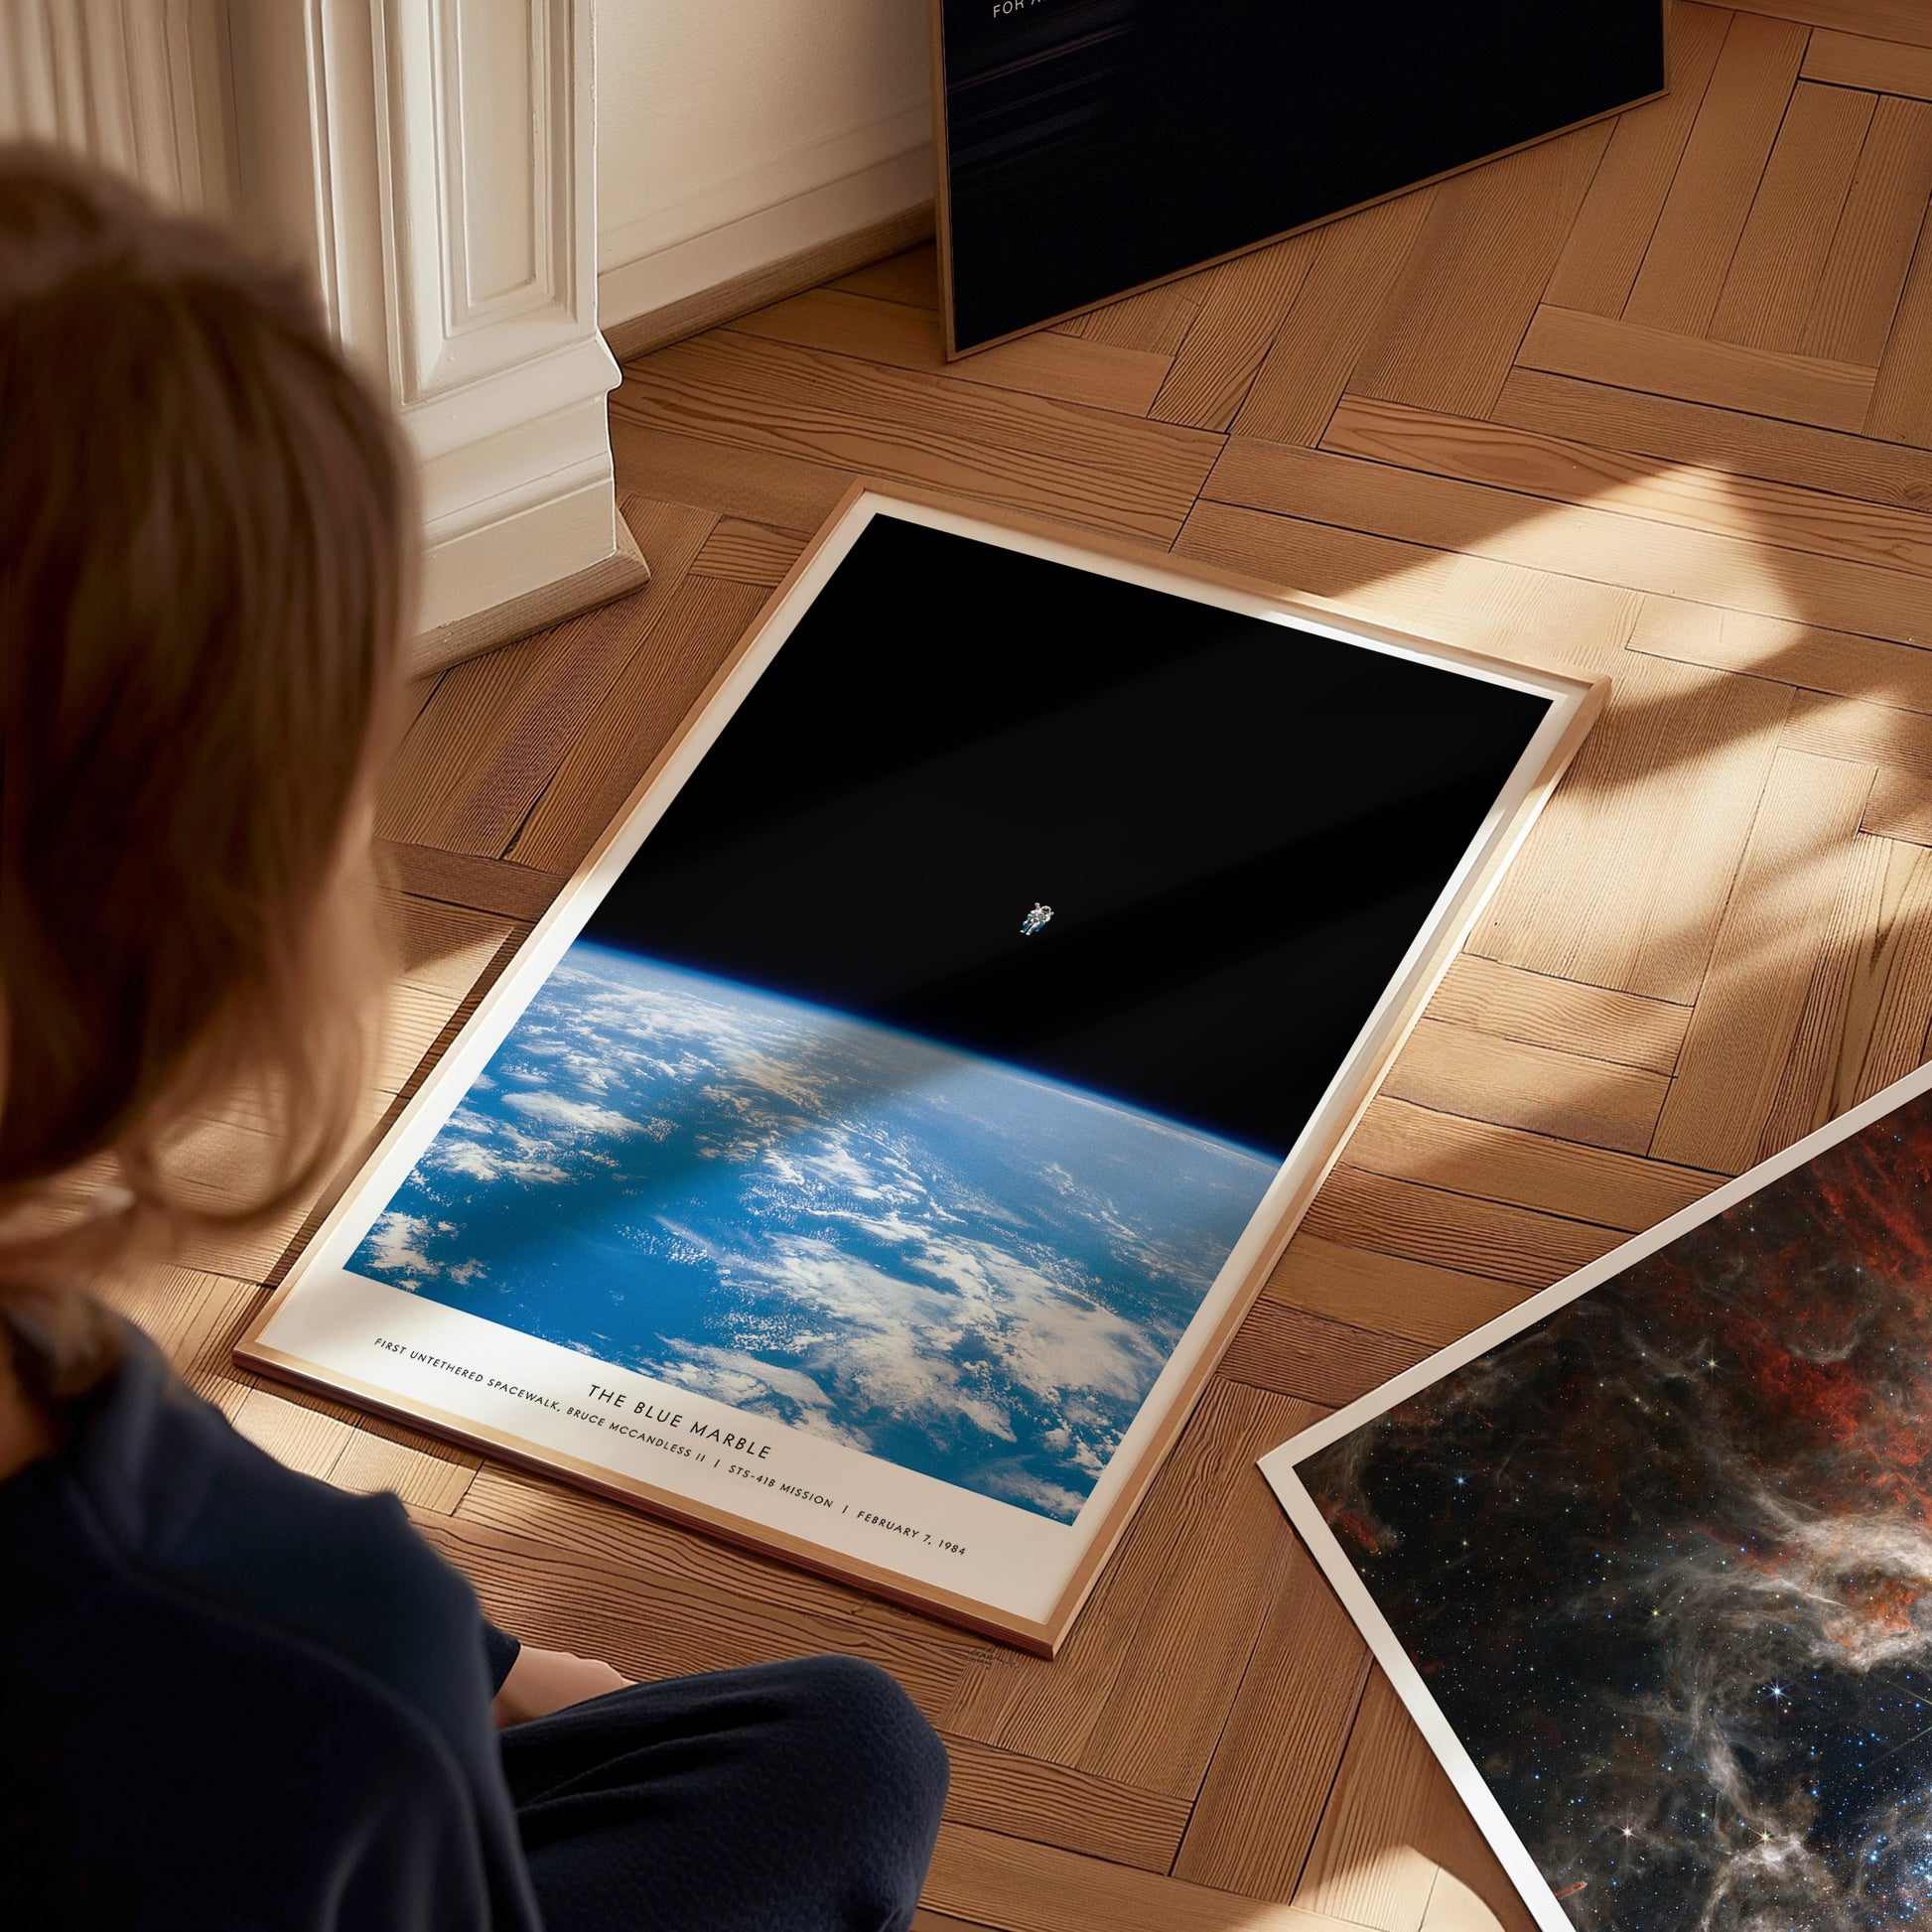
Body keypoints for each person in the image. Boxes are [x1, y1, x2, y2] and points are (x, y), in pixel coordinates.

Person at [0, 144, 949, 1931]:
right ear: (210, 923)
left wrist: (479, 1656)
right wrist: (426, 1676)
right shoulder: (308, 1692)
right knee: (847, 1756)